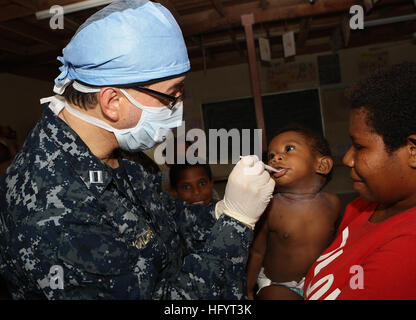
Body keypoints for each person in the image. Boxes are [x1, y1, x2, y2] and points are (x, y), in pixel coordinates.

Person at [0, 0, 275, 299]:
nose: (177, 106)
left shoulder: (119, 147)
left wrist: (221, 212)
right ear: (113, 102)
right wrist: (235, 225)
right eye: (171, 94)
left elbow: (161, 217)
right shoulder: (53, 212)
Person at [303, 62, 416, 300]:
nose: (347, 159)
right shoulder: (362, 207)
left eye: (360, 147)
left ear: (413, 151)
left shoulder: (409, 249)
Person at [246, 125, 342, 300]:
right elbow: (257, 252)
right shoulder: (270, 206)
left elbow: (339, 246)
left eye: (288, 149)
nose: (276, 158)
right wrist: (248, 290)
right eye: (271, 156)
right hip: (278, 285)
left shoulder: (332, 204)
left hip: (319, 282)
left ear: (322, 165)